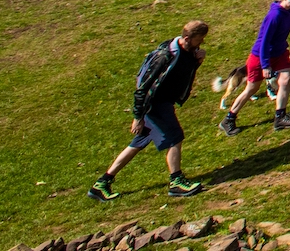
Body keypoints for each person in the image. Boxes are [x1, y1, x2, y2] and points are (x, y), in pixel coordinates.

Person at [89, 20, 208, 201]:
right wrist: (138, 116)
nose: (201, 43)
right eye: (199, 40)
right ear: (186, 38)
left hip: (165, 103)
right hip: (154, 105)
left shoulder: (187, 52)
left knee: (138, 143)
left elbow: (181, 75)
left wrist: (197, 61)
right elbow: (142, 89)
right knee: (175, 136)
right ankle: (176, 182)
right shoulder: (165, 56)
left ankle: (102, 183)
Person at [220, 0, 290, 135]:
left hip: (279, 53)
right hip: (260, 56)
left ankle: (280, 117)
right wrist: (265, 65)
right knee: (252, 88)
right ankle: (228, 119)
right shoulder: (274, 15)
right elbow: (265, 41)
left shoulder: (289, 12)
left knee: (285, 79)